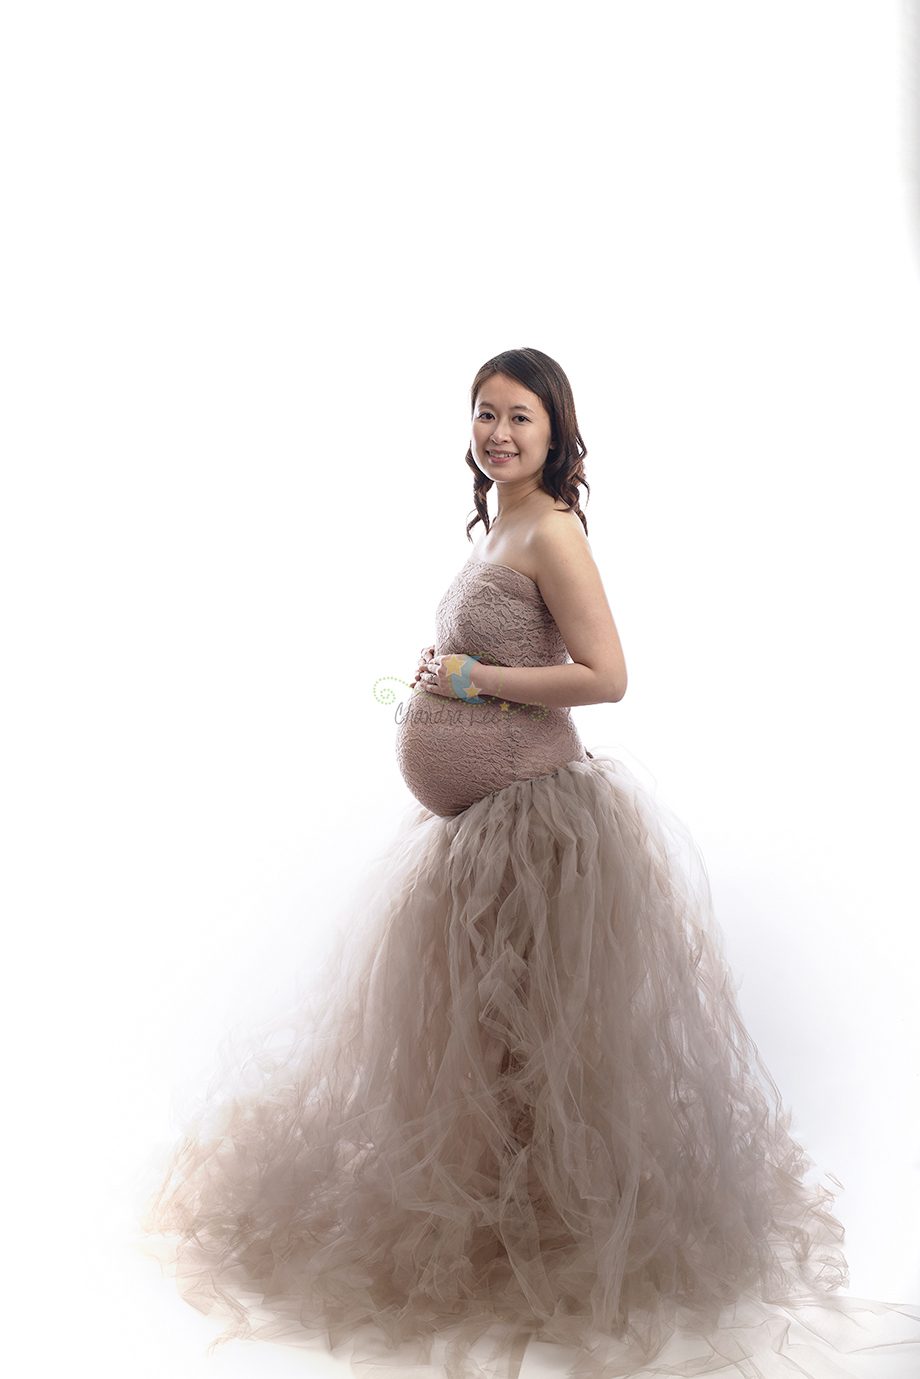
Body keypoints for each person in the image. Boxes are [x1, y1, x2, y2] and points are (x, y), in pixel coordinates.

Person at [134, 348, 920, 1379]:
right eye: (484, 415)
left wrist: (473, 676)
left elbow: (607, 675)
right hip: (477, 829)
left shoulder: (550, 530)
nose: (498, 433)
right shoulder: (495, 524)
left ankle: (553, 1255)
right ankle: (497, 1241)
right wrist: (444, 681)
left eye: (519, 418)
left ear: (556, 434)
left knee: (533, 1052)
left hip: (536, 834)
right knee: (485, 1056)